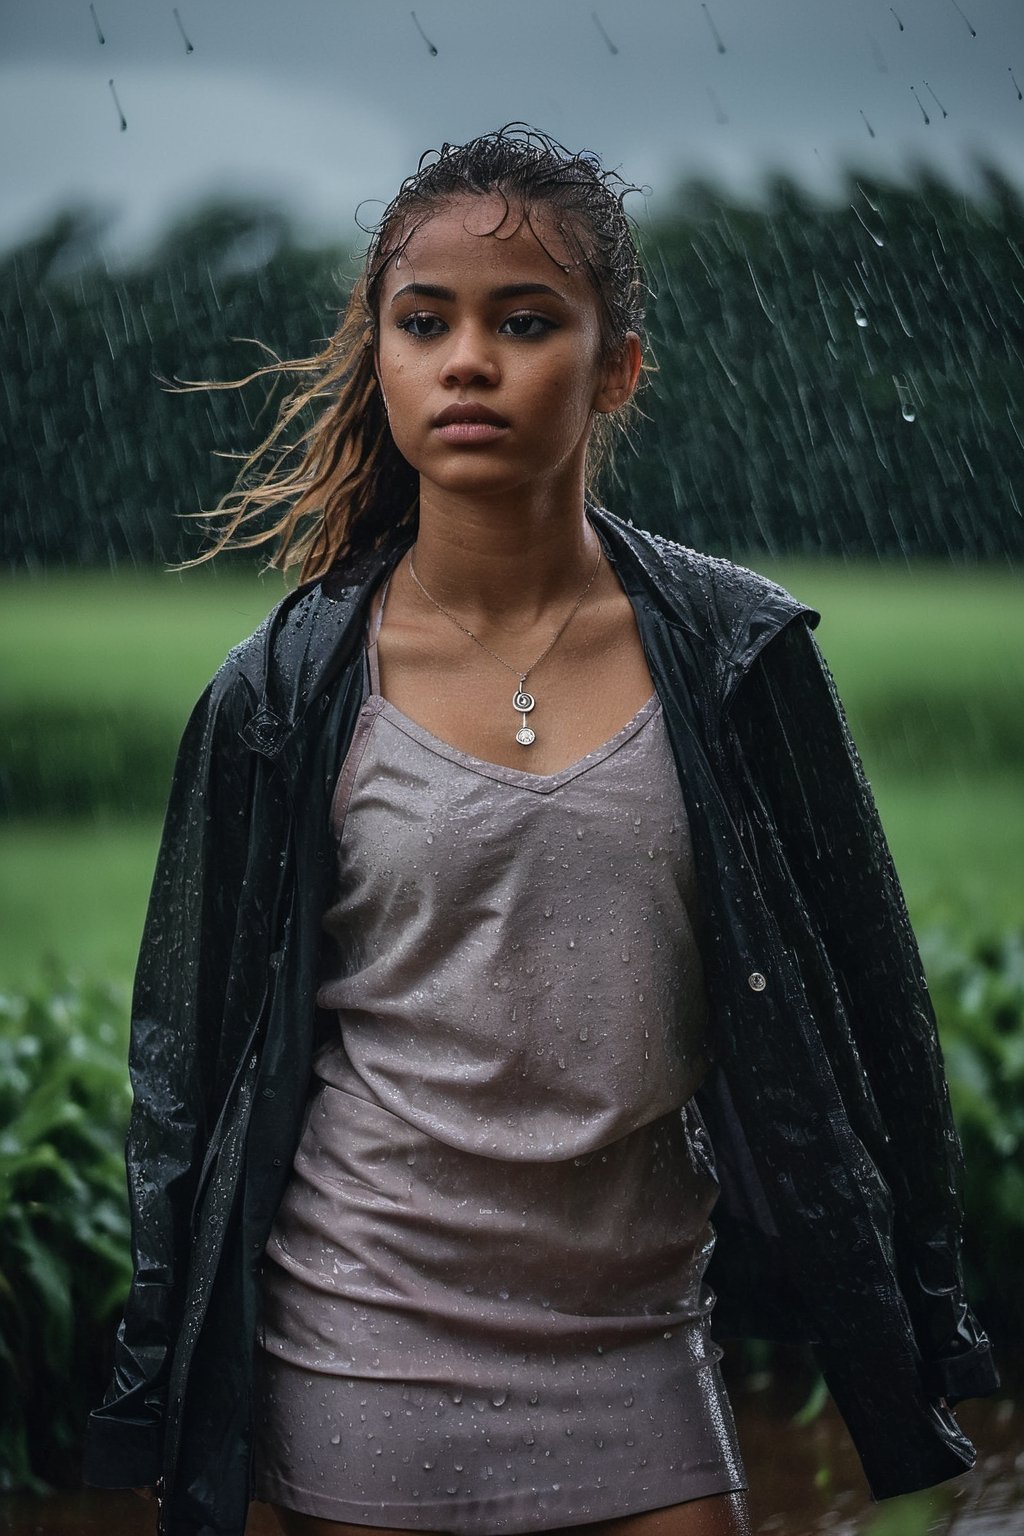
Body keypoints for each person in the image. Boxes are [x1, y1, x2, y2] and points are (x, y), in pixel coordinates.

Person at [83, 129, 996, 1536]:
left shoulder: (740, 659)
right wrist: (157, 1383)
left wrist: (928, 1319)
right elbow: (187, 1062)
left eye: (524, 322)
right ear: (379, 363)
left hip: (635, 1336)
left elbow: (877, 1010)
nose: (468, 361)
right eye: (424, 321)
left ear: (615, 367)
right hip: (358, 1334)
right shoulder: (281, 694)